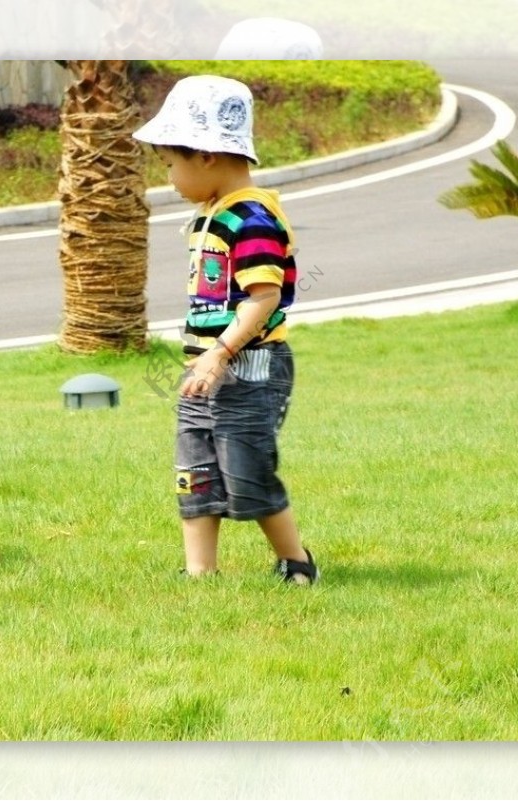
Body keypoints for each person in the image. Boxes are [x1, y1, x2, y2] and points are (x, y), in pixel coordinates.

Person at [133, 74, 318, 583]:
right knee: (194, 470)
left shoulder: (252, 218)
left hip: (249, 366)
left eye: (171, 163)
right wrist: (206, 358)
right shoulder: (210, 216)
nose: (169, 176)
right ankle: (200, 574)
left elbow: (264, 297)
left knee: (247, 470)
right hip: (203, 366)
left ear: (207, 155)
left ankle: (296, 562)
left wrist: (220, 353)